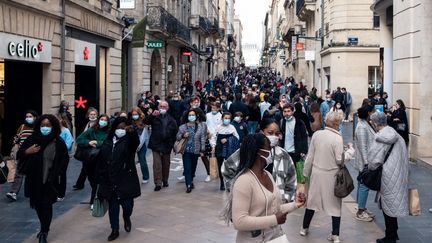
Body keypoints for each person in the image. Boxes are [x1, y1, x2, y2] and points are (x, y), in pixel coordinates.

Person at [221, 133, 305, 243]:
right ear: (259, 153)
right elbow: (239, 221)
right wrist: (274, 219)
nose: (272, 152)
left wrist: (295, 204)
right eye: (269, 148)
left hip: (276, 237)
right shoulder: (244, 181)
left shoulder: (268, 175)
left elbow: (274, 209)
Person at [300, 111, 355, 243]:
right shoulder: (338, 138)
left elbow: (310, 157)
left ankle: (304, 228)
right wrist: (350, 151)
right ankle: (335, 235)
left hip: (317, 174)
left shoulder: (317, 135)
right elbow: (339, 160)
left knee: (312, 202)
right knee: (335, 206)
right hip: (332, 176)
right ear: (338, 123)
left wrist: (305, 174)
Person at [17, 114, 69, 243]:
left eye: (48, 125)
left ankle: (44, 232)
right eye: (43, 125)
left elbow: (64, 160)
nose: (45, 128)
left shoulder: (58, 142)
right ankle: (43, 227)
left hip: (49, 181)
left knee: (46, 205)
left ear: (53, 127)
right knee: (38, 205)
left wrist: (57, 172)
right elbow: (20, 154)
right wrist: (27, 151)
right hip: (34, 180)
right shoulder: (32, 139)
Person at [222, 118, 297, 202]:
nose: (274, 137)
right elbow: (227, 168)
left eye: (277, 134)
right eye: (270, 133)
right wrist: (237, 191)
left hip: (276, 206)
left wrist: (285, 200)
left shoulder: (283, 155)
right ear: (262, 133)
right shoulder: (247, 150)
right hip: (252, 206)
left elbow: (291, 180)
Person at [95, 117, 141, 241]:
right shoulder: (108, 141)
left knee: (127, 206)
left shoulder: (129, 142)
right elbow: (101, 158)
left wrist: (132, 132)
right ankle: (114, 229)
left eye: (123, 128)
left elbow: (135, 142)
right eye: (118, 128)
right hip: (109, 179)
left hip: (125, 179)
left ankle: (126, 217)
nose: (120, 130)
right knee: (113, 207)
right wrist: (99, 175)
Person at [368, 112, 409, 243]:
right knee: (392, 204)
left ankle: (390, 237)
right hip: (398, 174)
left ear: (375, 123)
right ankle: (393, 233)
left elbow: (374, 161)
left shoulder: (380, 137)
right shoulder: (395, 134)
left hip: (387, 175)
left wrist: (369, 168)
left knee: (387, 207)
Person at [74, 115, 110, 209]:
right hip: (90, 159)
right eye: (101, 119)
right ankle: (98, 197)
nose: (103, 121)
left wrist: (97, 143)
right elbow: (79, 139)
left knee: (98, 180)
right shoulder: (91, 130)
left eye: (105, 120)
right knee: (92, 180)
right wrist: (89, 142)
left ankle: (94, 201)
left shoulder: (109, 132)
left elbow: (109, 143)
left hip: (102, 160)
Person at [144, 101, 178, 191]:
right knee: (157, 164)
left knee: (166, 164)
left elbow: (175, 132)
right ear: (158, 107)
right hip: (156, 144)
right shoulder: (154, 117)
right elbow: (145, 121)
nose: (162, 108)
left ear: (167, 108)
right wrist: (152, 115)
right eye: (161, 106)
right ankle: (158, 182)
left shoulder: (171, 119)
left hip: (167, 145)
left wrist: (173, 144)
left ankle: (165, 180)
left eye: (164, 106)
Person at [6, 110, 38, 202]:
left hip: (33, 154)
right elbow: (16, 138)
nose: (28, 118)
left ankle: (35, 192)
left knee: (33, 174)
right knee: (18, 174)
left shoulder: (37, 127)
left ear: (35, 117)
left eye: (30, 116)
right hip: (23, 153)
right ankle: (13, 192)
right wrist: (15, 145)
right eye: (27, 116)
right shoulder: (22, 127)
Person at [176, 109, 207, 193]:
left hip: (196, 151)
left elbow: (203, 139)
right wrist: (183, 135)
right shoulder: (182, 127)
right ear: (187, 116)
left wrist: (202, 150)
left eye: (193, 115)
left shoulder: (201, 126)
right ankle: (188, 185)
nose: (191, 117)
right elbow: (177, 137)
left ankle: (191, 179)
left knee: (193, 167)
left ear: (196, 116)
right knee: (187, 168)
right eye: (190, 115)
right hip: (186, 151)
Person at [353, 105, 376, 222]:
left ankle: (362, 207)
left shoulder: (366, 124)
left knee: (362, 184)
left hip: (366, 161)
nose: (374, 113)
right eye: (373, 112)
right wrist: (367, 164)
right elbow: (363, 147)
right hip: (364, 162)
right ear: (368, 113)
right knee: (364, 185)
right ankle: (360, 211)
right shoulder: (362, 127)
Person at [210, 112, 240, 191]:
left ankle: (228, 182)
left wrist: (228, 139)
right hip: (219, 148)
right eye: (225, 118)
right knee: (220, 166)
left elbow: (237, 137)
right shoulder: (218, 127)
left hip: (229, 149)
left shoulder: (232, 127)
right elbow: (213, 138)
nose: (227, 120)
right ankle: (222, 183)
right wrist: (213, 146)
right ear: (222, 119)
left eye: (228, 118)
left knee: (229, 166)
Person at [131, 107, 150, 184]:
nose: (134, 115)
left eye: (136, 114)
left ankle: (146, 176)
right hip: (132, 144)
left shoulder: (143, 122)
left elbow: (145, 133)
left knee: (142, 160)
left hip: (141, 144)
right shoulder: (130, 121)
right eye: (133, 114)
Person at [57, 118, 74, 201]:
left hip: (63, 156)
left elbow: (68, 143)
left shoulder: (66, 131)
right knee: (55, 174)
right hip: (54, 156)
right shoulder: (54, 131)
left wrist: (59, 148)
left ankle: (61, 194)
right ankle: (55, 192)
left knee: (62, 174)